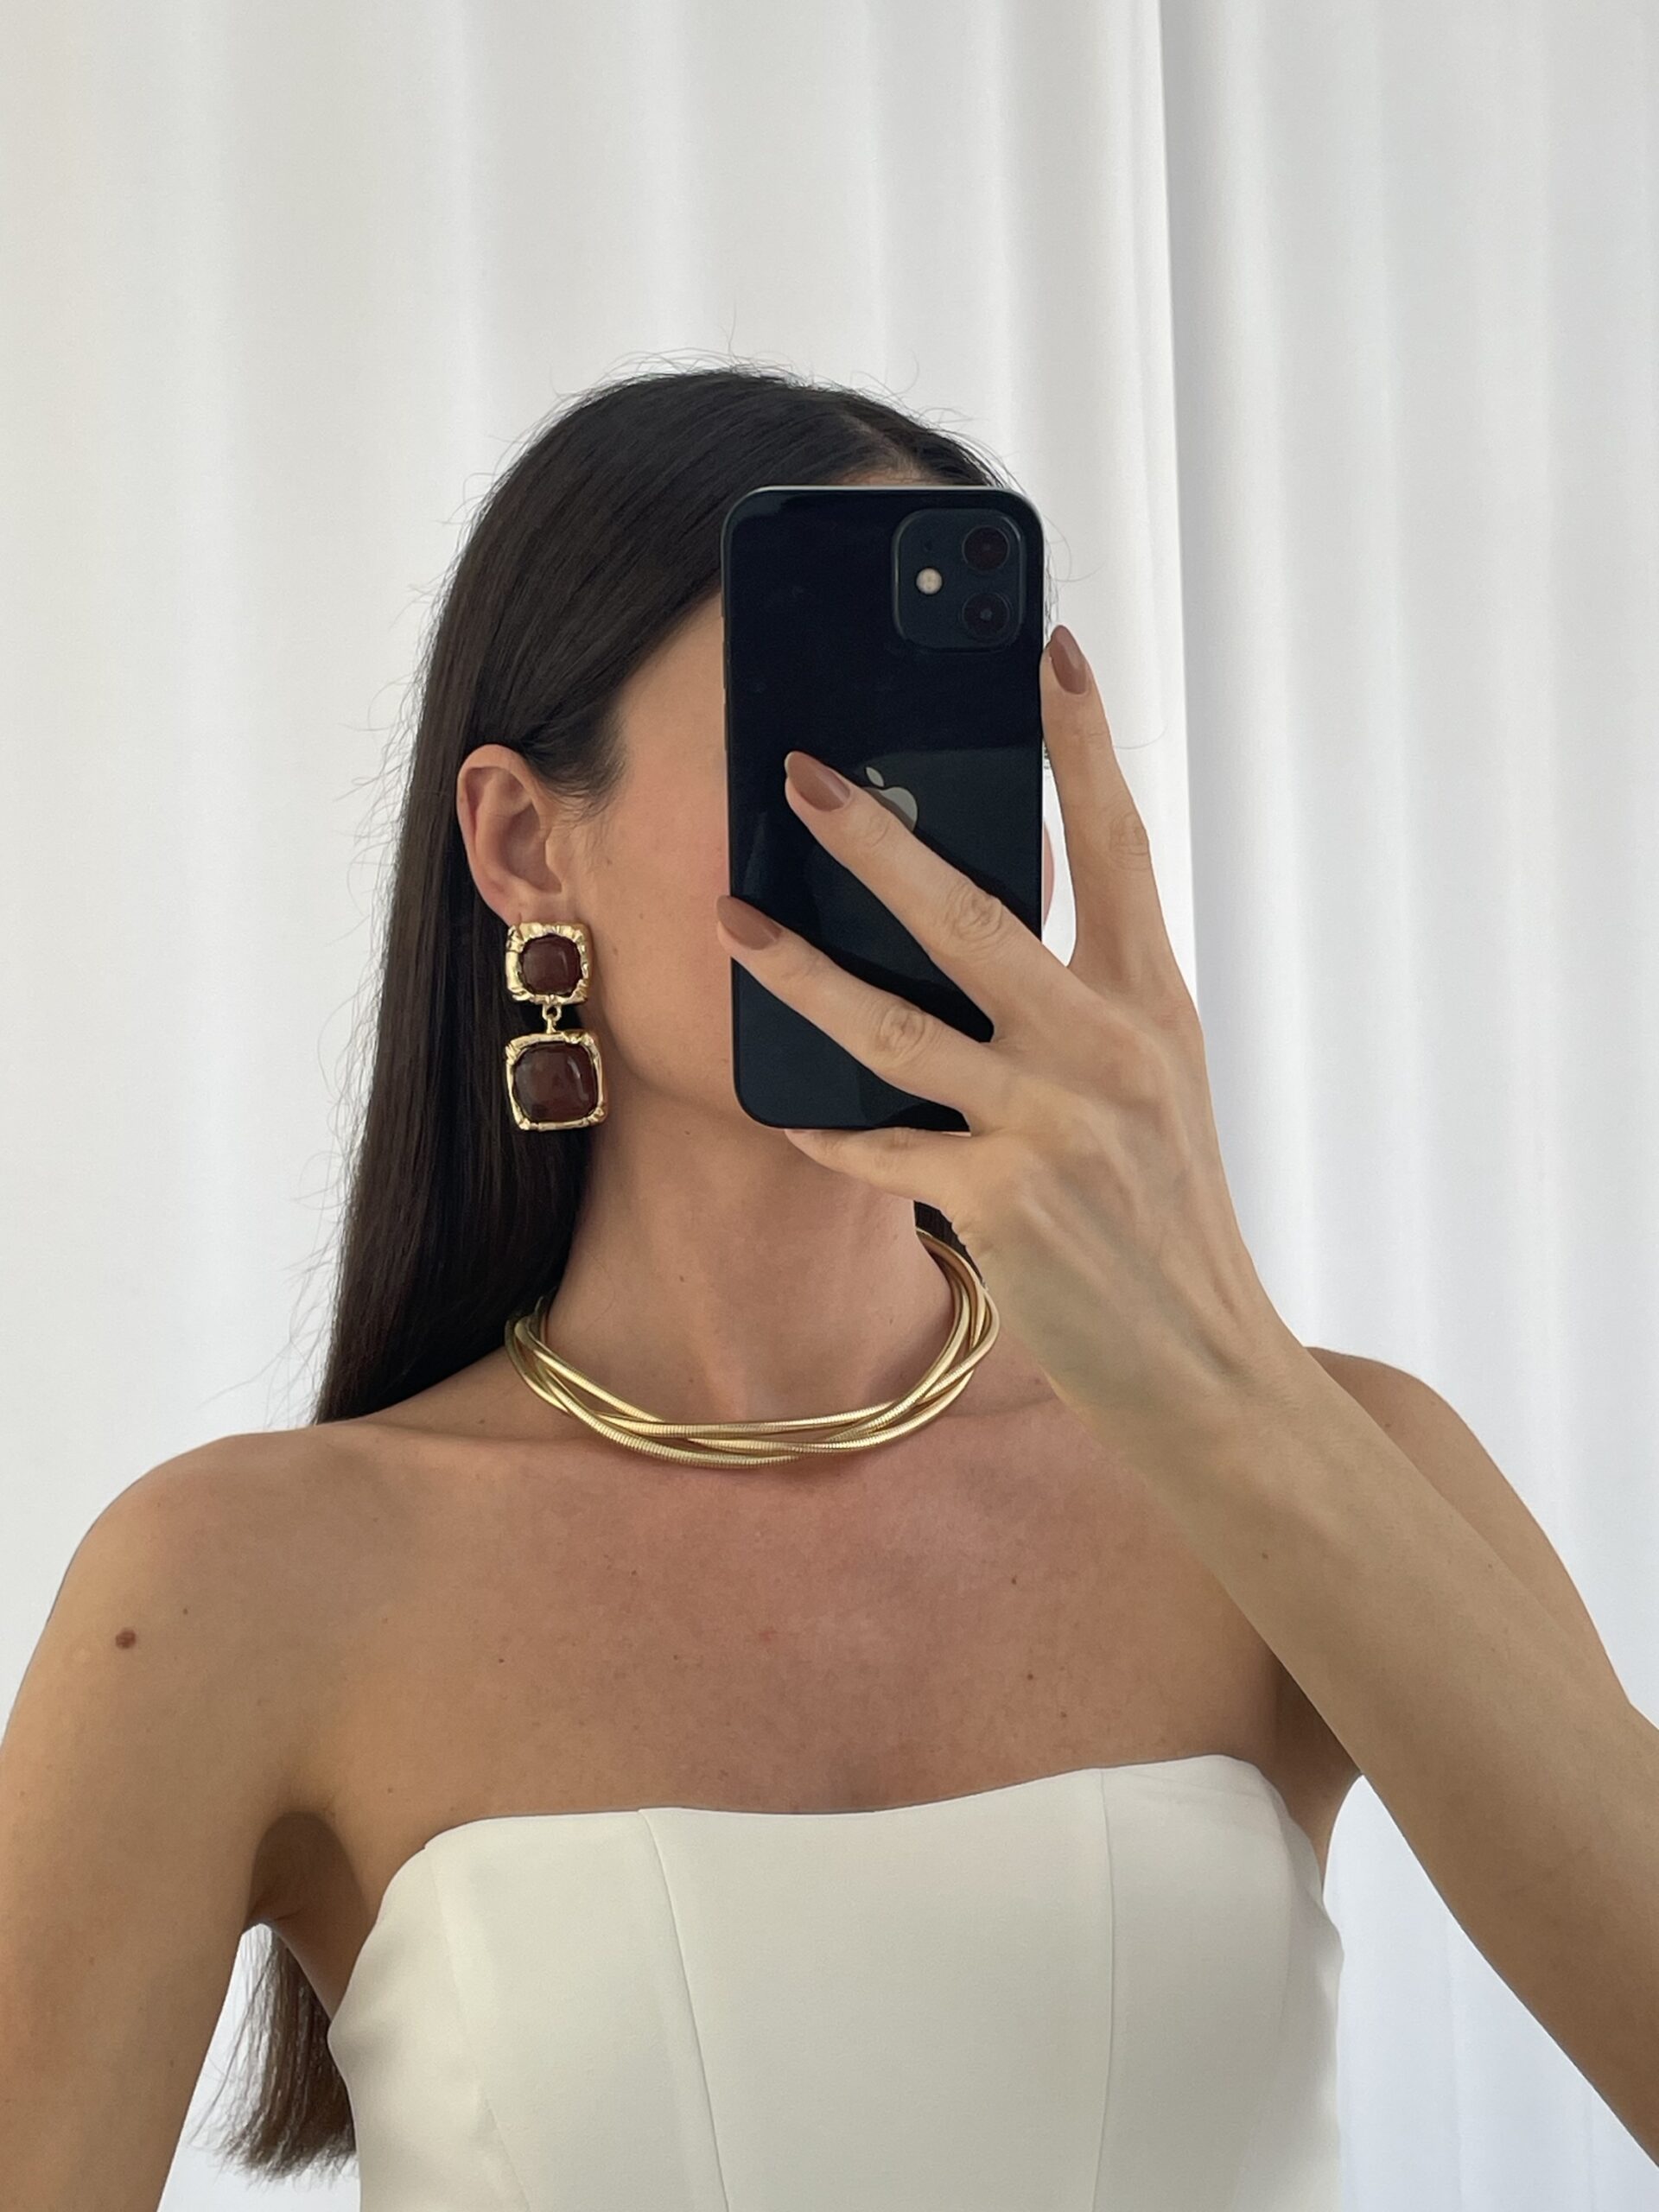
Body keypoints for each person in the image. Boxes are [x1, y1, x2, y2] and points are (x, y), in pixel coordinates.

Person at [0, 365, 1350, 2209]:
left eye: (948, 742)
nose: (900, 832)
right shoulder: (233, 1584)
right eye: (814, 741)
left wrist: (1207, 1333)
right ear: (522, 843)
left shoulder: (1307, 1469)